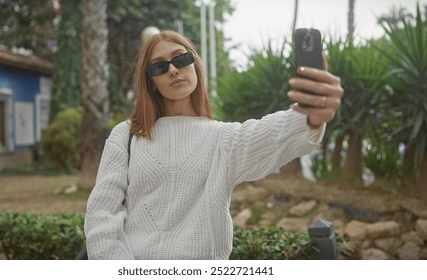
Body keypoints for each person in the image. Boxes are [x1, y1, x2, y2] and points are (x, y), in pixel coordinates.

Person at [84, 30, 343, 260]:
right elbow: (101, 216)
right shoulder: (127, 135)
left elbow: (272, 135)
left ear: (195, 64)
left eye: (181, 59)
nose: (173, 70)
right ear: (150, 81)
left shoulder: (222, 138)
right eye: (159, 67)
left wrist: (310, 116)